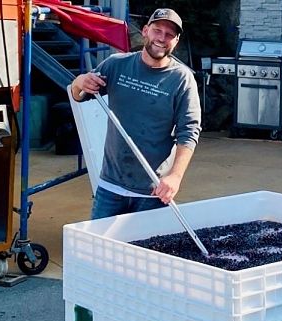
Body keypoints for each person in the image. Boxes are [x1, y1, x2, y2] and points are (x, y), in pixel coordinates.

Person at [70, 8, 201, 219]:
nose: (161, 38)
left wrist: (175, 177)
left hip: (153, 190)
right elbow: (79, 96)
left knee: (145, 251)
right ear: (145, 31)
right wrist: (79, 82)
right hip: (110, 187)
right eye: (157, 30)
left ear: (176, 41)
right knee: (100, 249)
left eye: (169, 35)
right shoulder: (116, 65)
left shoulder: (182, 79)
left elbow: (189, 131)